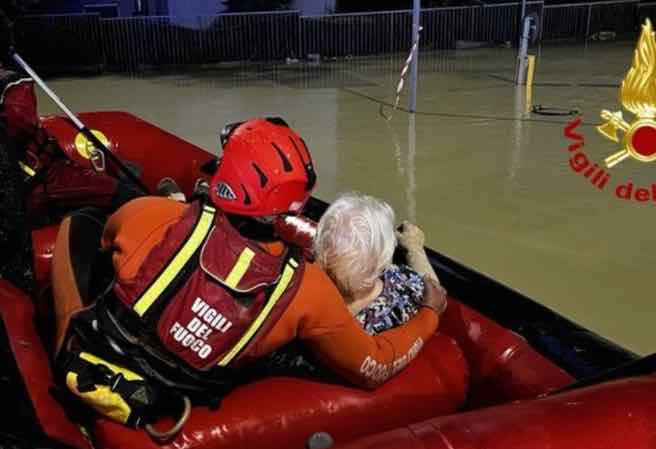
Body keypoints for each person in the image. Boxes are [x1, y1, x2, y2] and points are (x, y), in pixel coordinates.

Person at [51, 117, 447, 419]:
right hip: (179, 393)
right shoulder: (307, 288)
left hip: (103, 356)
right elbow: (374, 366)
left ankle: (65, 343)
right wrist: (430, 314)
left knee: (80, 222)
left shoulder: (149, 214)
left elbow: (105, 245)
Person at [256, 192, 442, 378]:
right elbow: (436, 292)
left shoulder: (299, 288)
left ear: (318, 251)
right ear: (383, 262)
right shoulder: (408, 294)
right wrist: (414, 248)